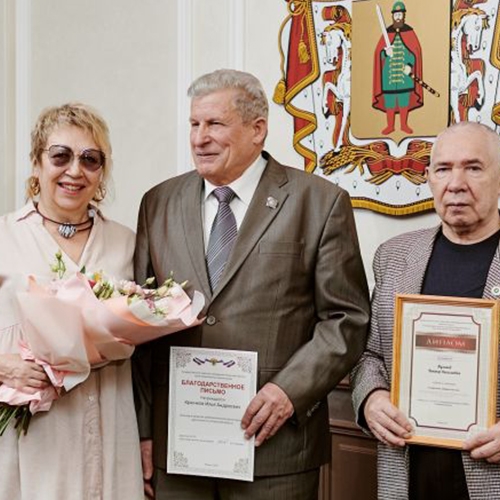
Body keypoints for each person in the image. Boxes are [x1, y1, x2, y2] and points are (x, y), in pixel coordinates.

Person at [133, 68, 370, 499]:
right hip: (178, 449)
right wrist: (145, 432)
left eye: (215, 124)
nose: (199, 138)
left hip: (274, 448)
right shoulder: (158, 203)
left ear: (257, 129)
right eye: (194, 124)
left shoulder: (319, 202)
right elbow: (140, 327)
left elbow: (346, 319)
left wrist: (289, 391)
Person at [0, 103, 143, 499]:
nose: (75, 171)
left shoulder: (126, 243)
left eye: (90, 159)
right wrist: (3, 366)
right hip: (34, 436)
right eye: (60, 156)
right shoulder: (3, 238)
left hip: (111, 425)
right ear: (36, 163)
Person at [351, 121, 500, 499]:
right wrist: (371, 398)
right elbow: (369, 355)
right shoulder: (394, 256)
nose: (456, 184)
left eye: (474, 167)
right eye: (443, 169)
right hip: (408, 476)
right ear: (430, 178)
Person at [373, 1, 423, 134]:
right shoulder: (387, 33)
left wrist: (409, 66)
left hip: (404, 78)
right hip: (389, 79)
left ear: (404, 15)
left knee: (403, 101)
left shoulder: (409, 32)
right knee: (389, 102)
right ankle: (390, 126)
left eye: (400, 14)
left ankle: (404, 125)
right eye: (396, 15)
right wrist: (385, 53)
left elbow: (414, 53)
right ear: (393, 16)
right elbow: (378, 54)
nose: (398, 17)